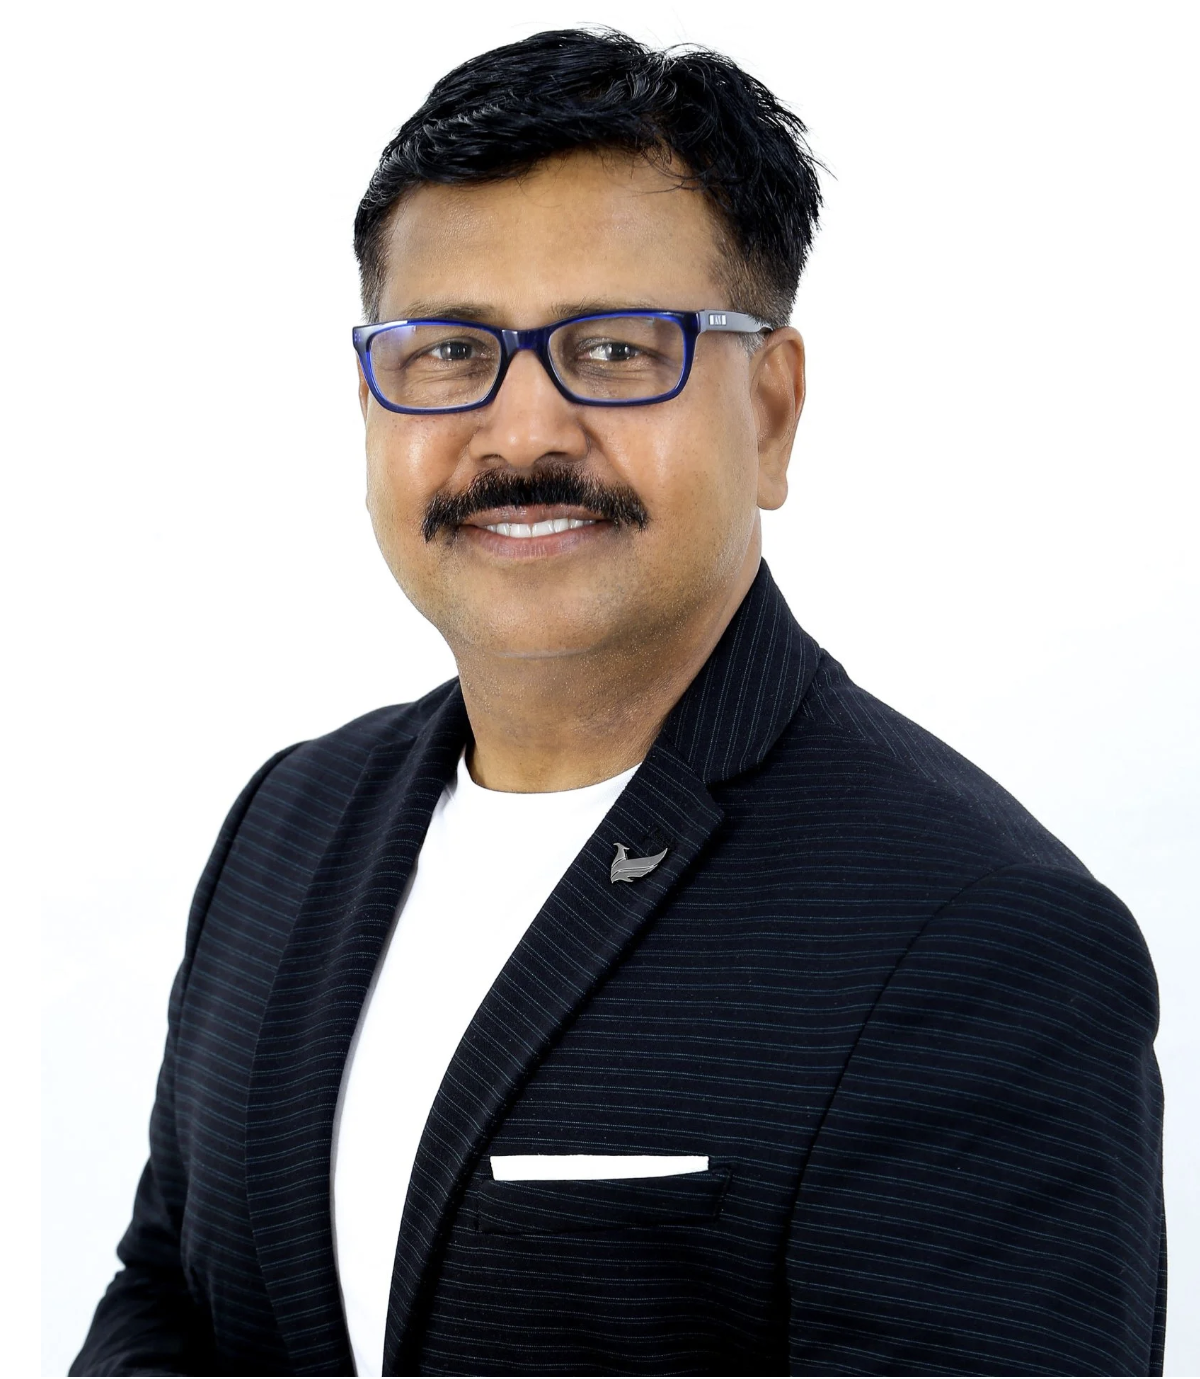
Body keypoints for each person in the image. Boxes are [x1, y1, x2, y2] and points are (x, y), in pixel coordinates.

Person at [72, 27, 1165, 1377]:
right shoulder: (288, 823)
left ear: (768, 409)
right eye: (444, 351)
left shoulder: (978, 934)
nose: (521, 432)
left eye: (611, 348)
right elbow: (169, 1295)